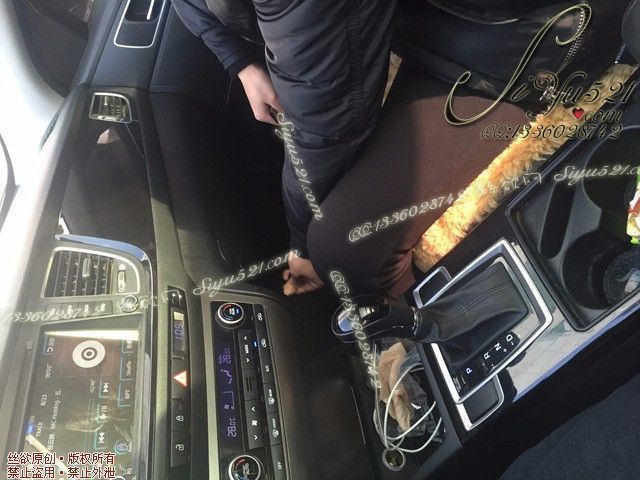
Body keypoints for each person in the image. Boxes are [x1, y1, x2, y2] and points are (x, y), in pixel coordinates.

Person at [171, 0, 398, 295]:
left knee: (374, 255)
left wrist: (305, 249)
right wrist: (241, 63)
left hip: (453, 43)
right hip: (308, 41)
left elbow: (325, 130)